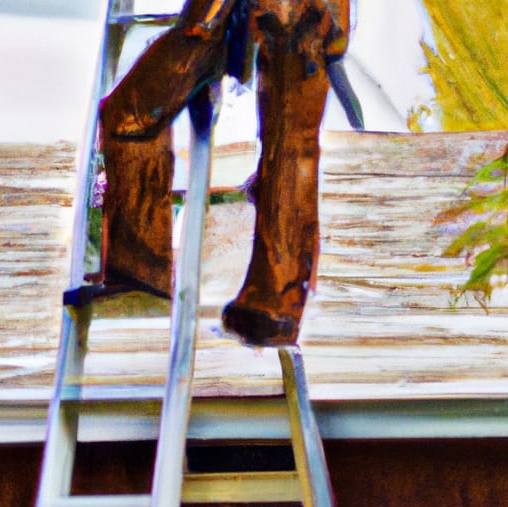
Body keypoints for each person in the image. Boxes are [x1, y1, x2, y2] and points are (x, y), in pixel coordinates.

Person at [98, 0, 351, 346]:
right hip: (274, 24)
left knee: (288, 151)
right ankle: (144, 281)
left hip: (280, 22)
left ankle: (268, 304)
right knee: (292, 148)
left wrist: (205, 20)